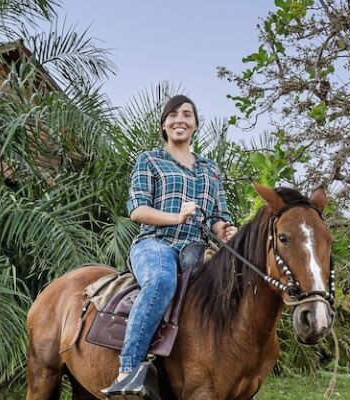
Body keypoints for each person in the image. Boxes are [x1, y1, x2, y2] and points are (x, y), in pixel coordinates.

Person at [102, 95, 237, 397]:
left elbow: (218, 214)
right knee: (162, 281)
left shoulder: (210, 169)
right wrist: (177, 217)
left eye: (187, 115)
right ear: (164, 124)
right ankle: (129, 370)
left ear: (195, 125)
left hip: (197, 249)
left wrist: (225, 230)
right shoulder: (149, 160)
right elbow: (137, 210)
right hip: (156, 243)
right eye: (173, 115)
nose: (180, 120)